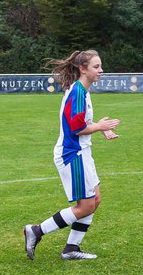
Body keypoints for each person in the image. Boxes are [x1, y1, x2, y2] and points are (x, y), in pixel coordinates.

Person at [23, 51, 121, 261]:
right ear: (82, 69)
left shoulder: (82, 91)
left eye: (100, 66)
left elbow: (81, 123)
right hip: (72, 154)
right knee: (85, 205)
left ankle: (70, 249)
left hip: (82, 152)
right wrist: (99, 126)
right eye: (96, 67)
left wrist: (100, 128)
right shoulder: (77, 92)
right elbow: (76, 128)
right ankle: (36, 230)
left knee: (95, 200)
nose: (101, 70)